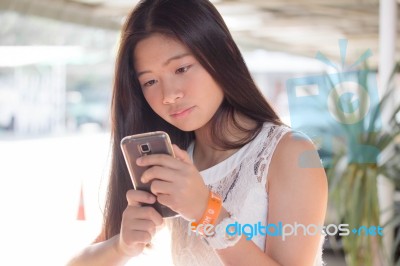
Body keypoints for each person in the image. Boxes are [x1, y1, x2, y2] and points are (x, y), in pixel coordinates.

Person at [67, 0, 328, 265]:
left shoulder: (289, 153)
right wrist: (121, 247)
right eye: (150, 81)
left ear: (222, 53)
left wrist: (206, 211)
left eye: (181, 69)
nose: (169, 95)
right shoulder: (169, 162)